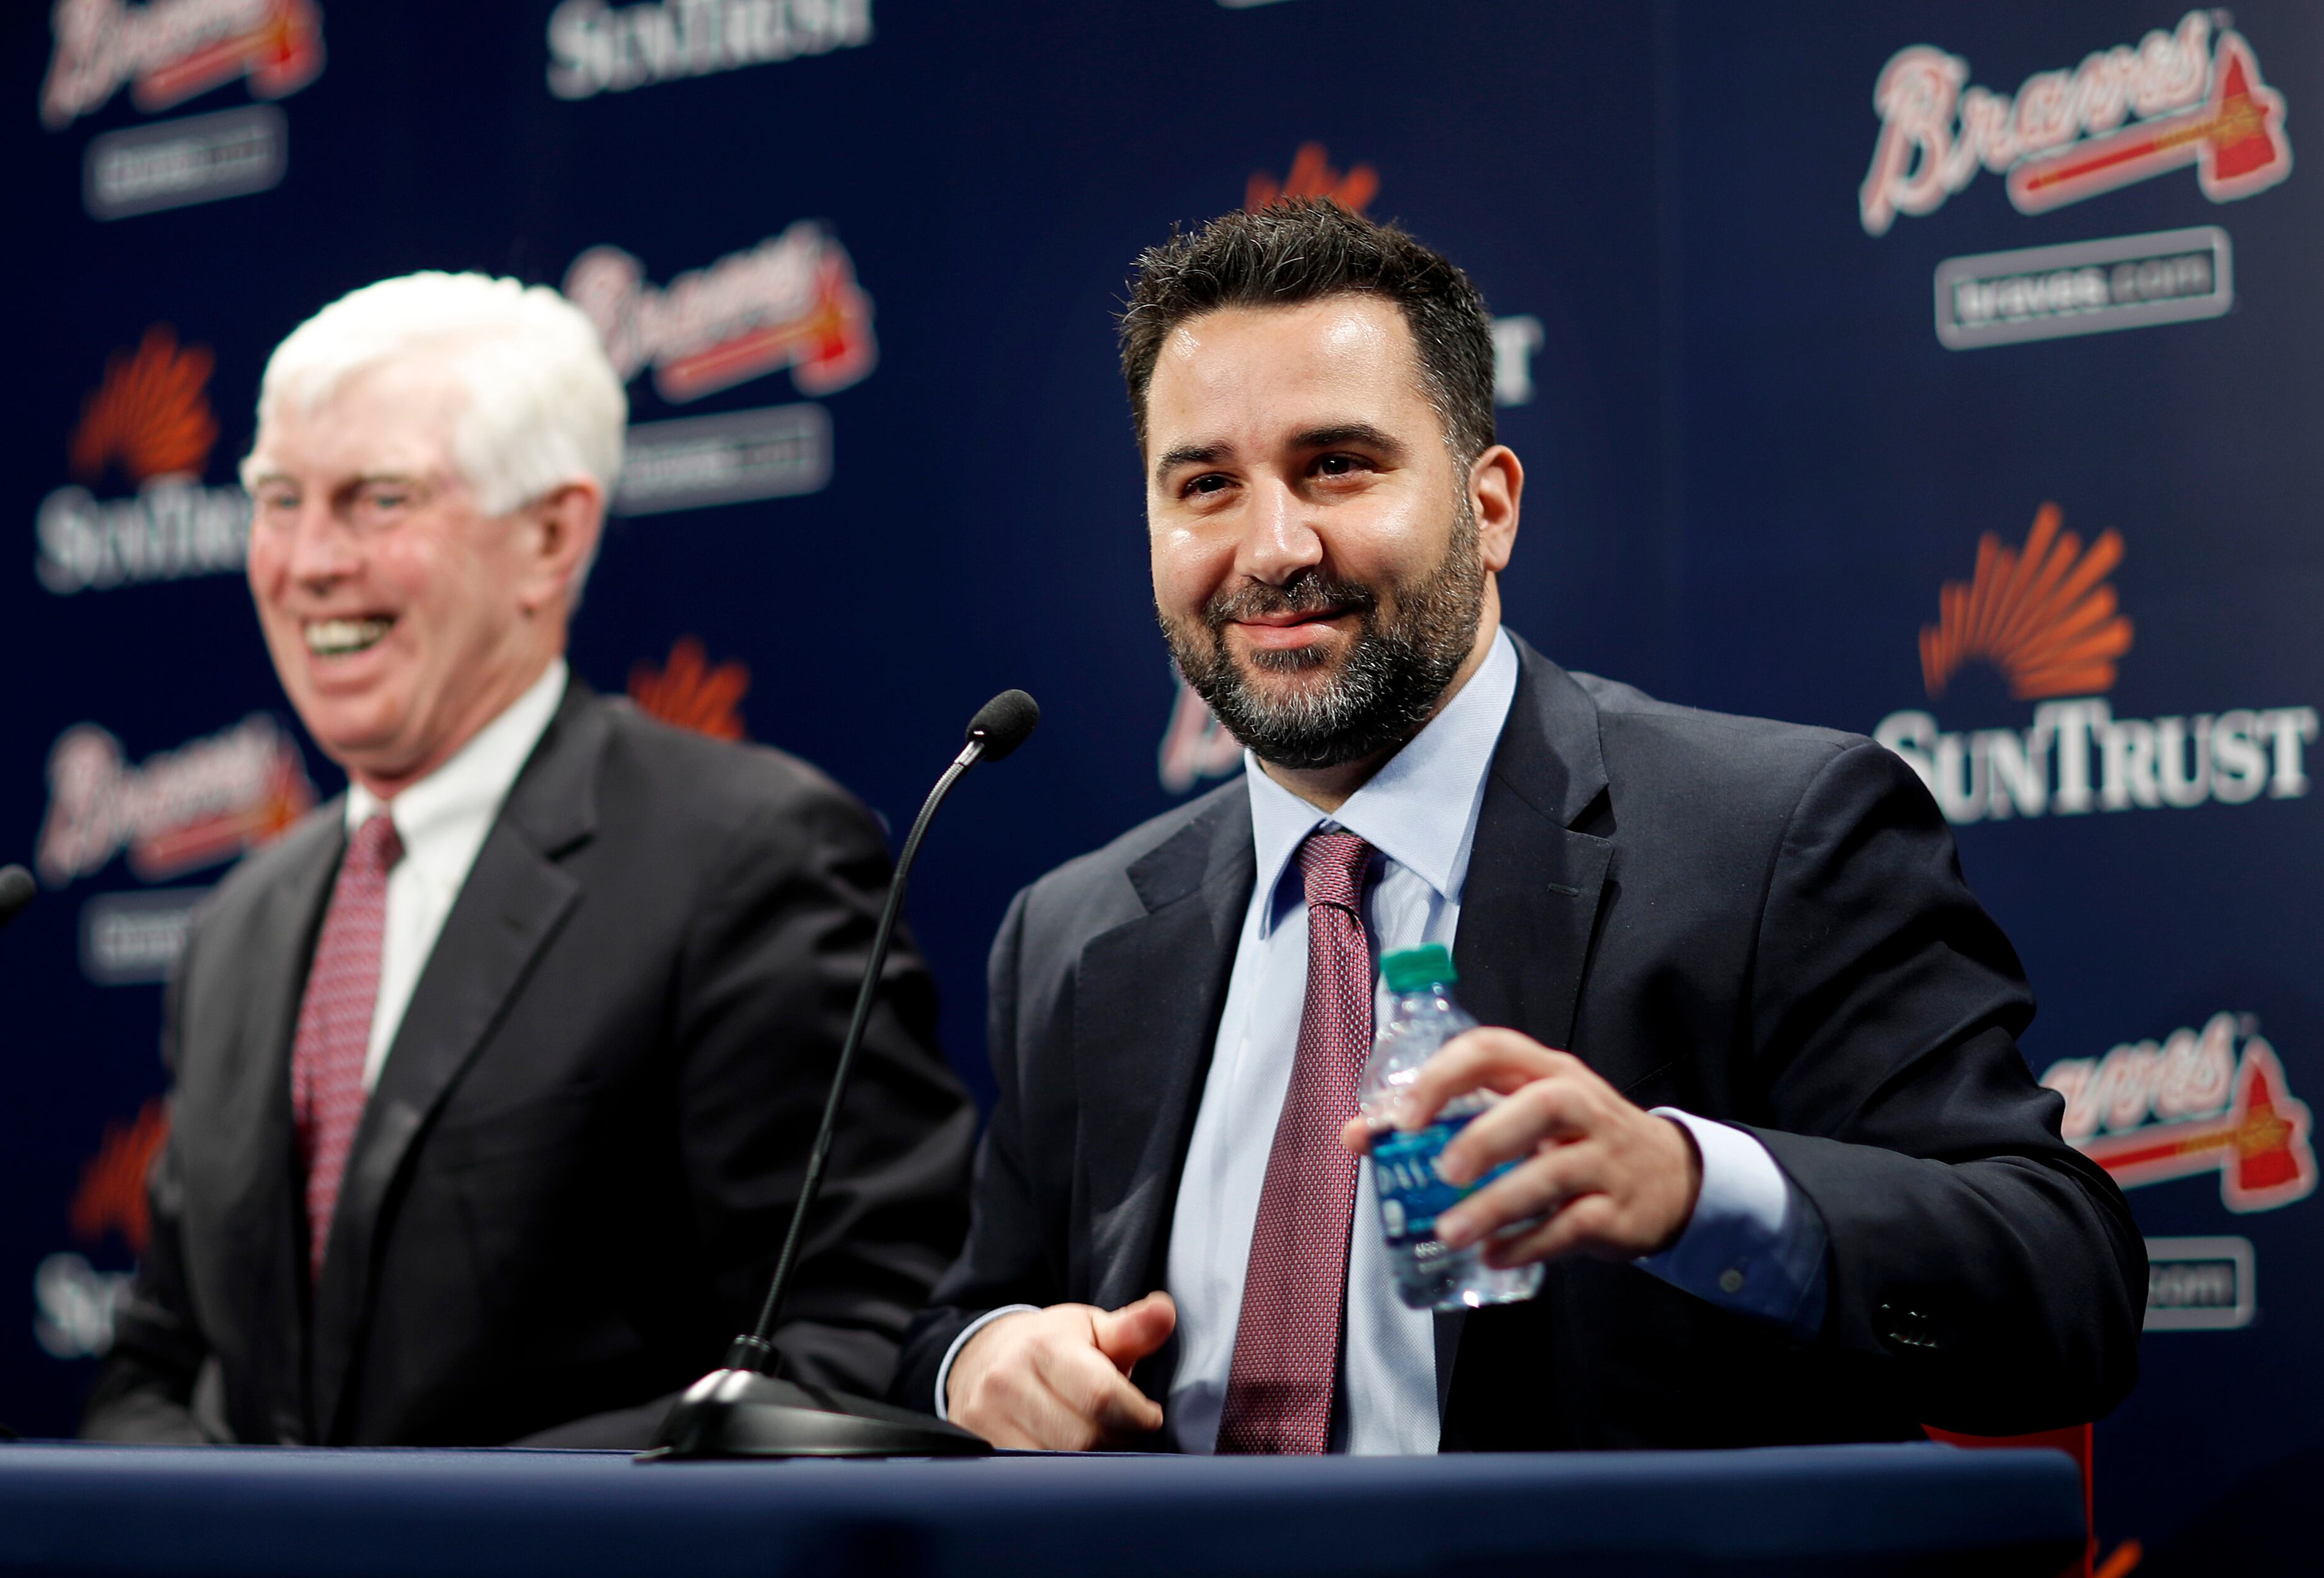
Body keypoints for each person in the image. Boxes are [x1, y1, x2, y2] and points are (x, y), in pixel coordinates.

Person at [894, 202, 2143, 1453]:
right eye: (1206, 484)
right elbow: (961, 1310)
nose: (1273, 547)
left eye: (1338, 464)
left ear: (1491, 507)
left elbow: (2068, 1288)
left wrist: (1695, 1190)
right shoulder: (1076, 932)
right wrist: (979, 1360)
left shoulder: (1775, 839)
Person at [83, 273, 974, 1447]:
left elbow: (845, 1348)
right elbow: (156, 1368)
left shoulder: (748, 860)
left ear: (551, 538)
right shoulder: (243, 922)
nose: (305, 562)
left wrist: (417, 1545)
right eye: (278, 498)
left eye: (376, 499)